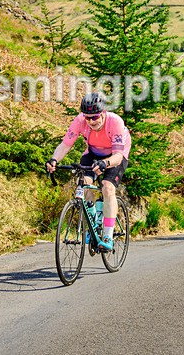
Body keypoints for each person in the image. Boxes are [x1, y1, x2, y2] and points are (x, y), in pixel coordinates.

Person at [45, 92, 131, 251]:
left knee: (107, 187)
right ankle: (93, 223)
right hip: (93, 153)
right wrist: (54, 160)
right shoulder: (80, 121)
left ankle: (107, 235)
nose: (91, 121)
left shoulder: (115, 122)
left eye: (95, 117)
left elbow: (118, 156)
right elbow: (65, 145)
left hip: (116, 155)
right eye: (87, 117)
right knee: (83, 183)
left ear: (103, 112)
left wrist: (105, 163)